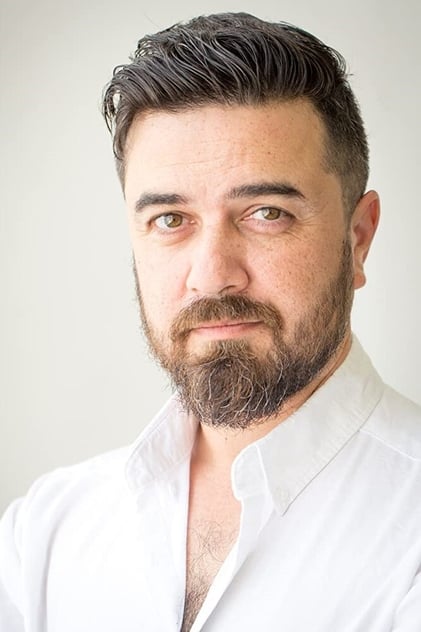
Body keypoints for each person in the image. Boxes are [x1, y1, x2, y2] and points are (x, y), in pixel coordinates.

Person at [1, 11, 420, 631]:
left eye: (266, 213)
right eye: (170, 220)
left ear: (358, 238)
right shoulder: (45, 533)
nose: (212, 275)